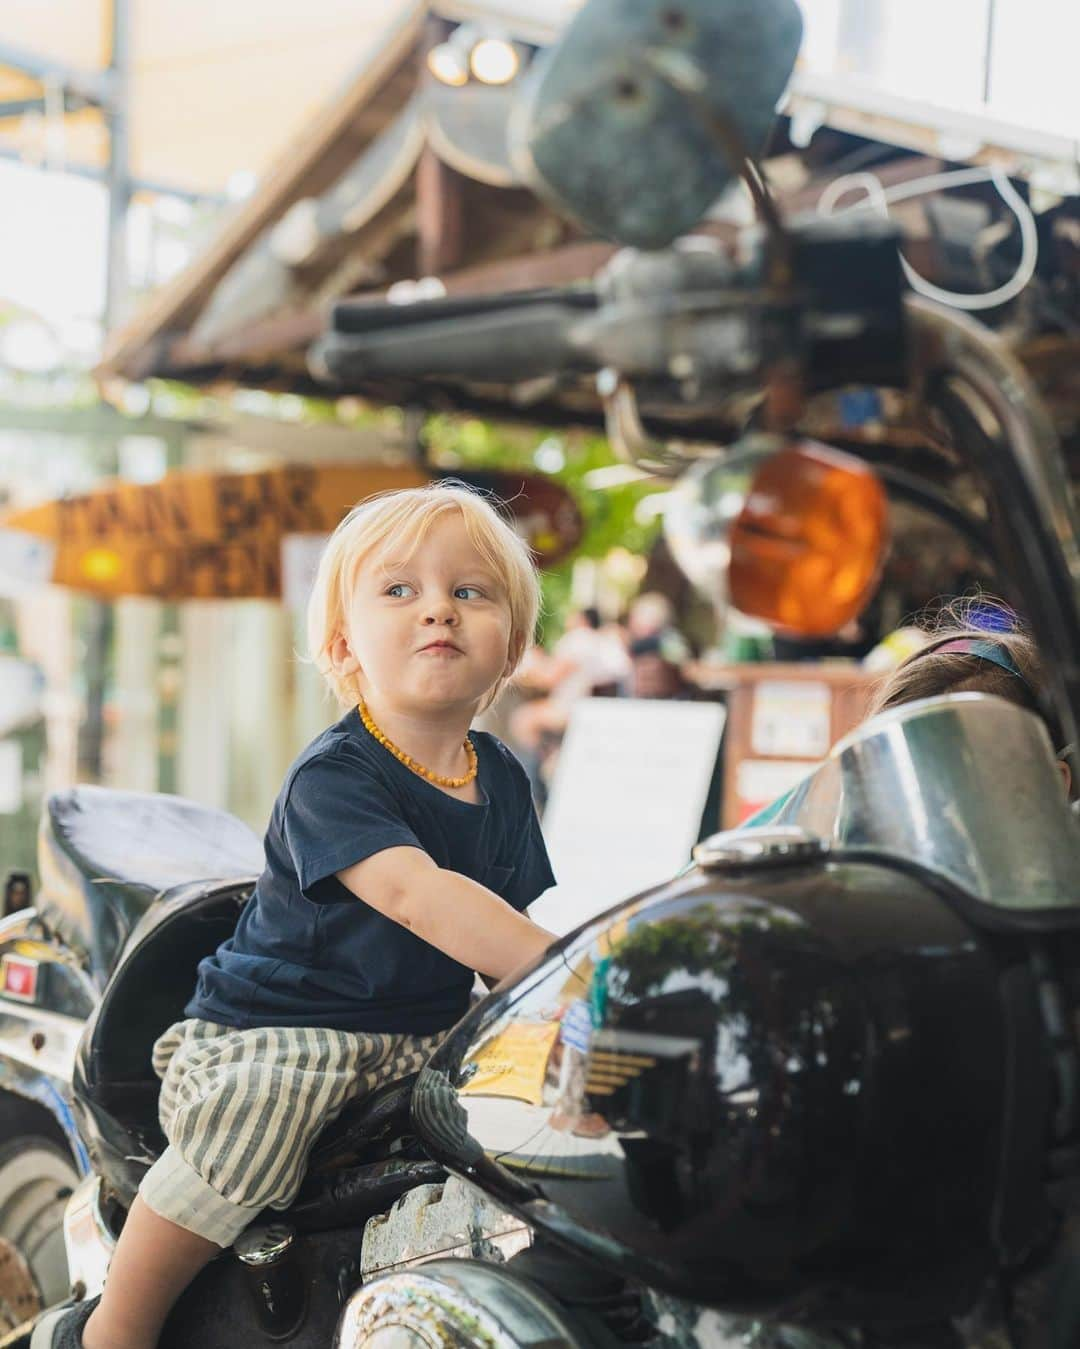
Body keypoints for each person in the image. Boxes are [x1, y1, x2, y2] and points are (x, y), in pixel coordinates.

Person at [38, 482, 557, 1349]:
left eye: (471, 592)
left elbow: (506, 922)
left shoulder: (501, 777)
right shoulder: (337, 775)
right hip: (283, 1026)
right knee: (248, 1131)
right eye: (400, 590)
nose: (440, 609)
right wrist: (572, 963)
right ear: (343, 643)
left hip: (416, 1025)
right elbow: (419, 893)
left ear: (511, 646)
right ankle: (118, 1327)